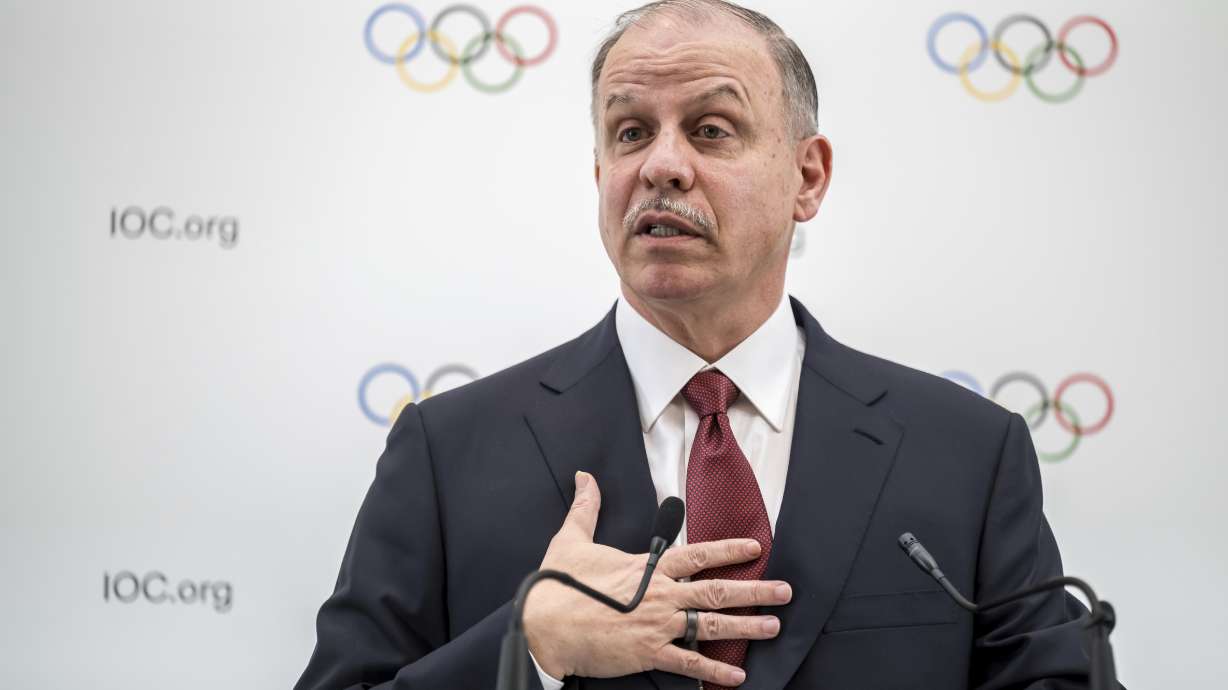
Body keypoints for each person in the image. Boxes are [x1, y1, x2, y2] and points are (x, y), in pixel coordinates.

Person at [295, 1, 1107, 688]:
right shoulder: (447, 453)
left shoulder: (966, 453)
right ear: (599, 171)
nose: (663, 166)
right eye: (630, 131)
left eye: (712, 129)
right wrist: (529, 646)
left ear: (808, 178)